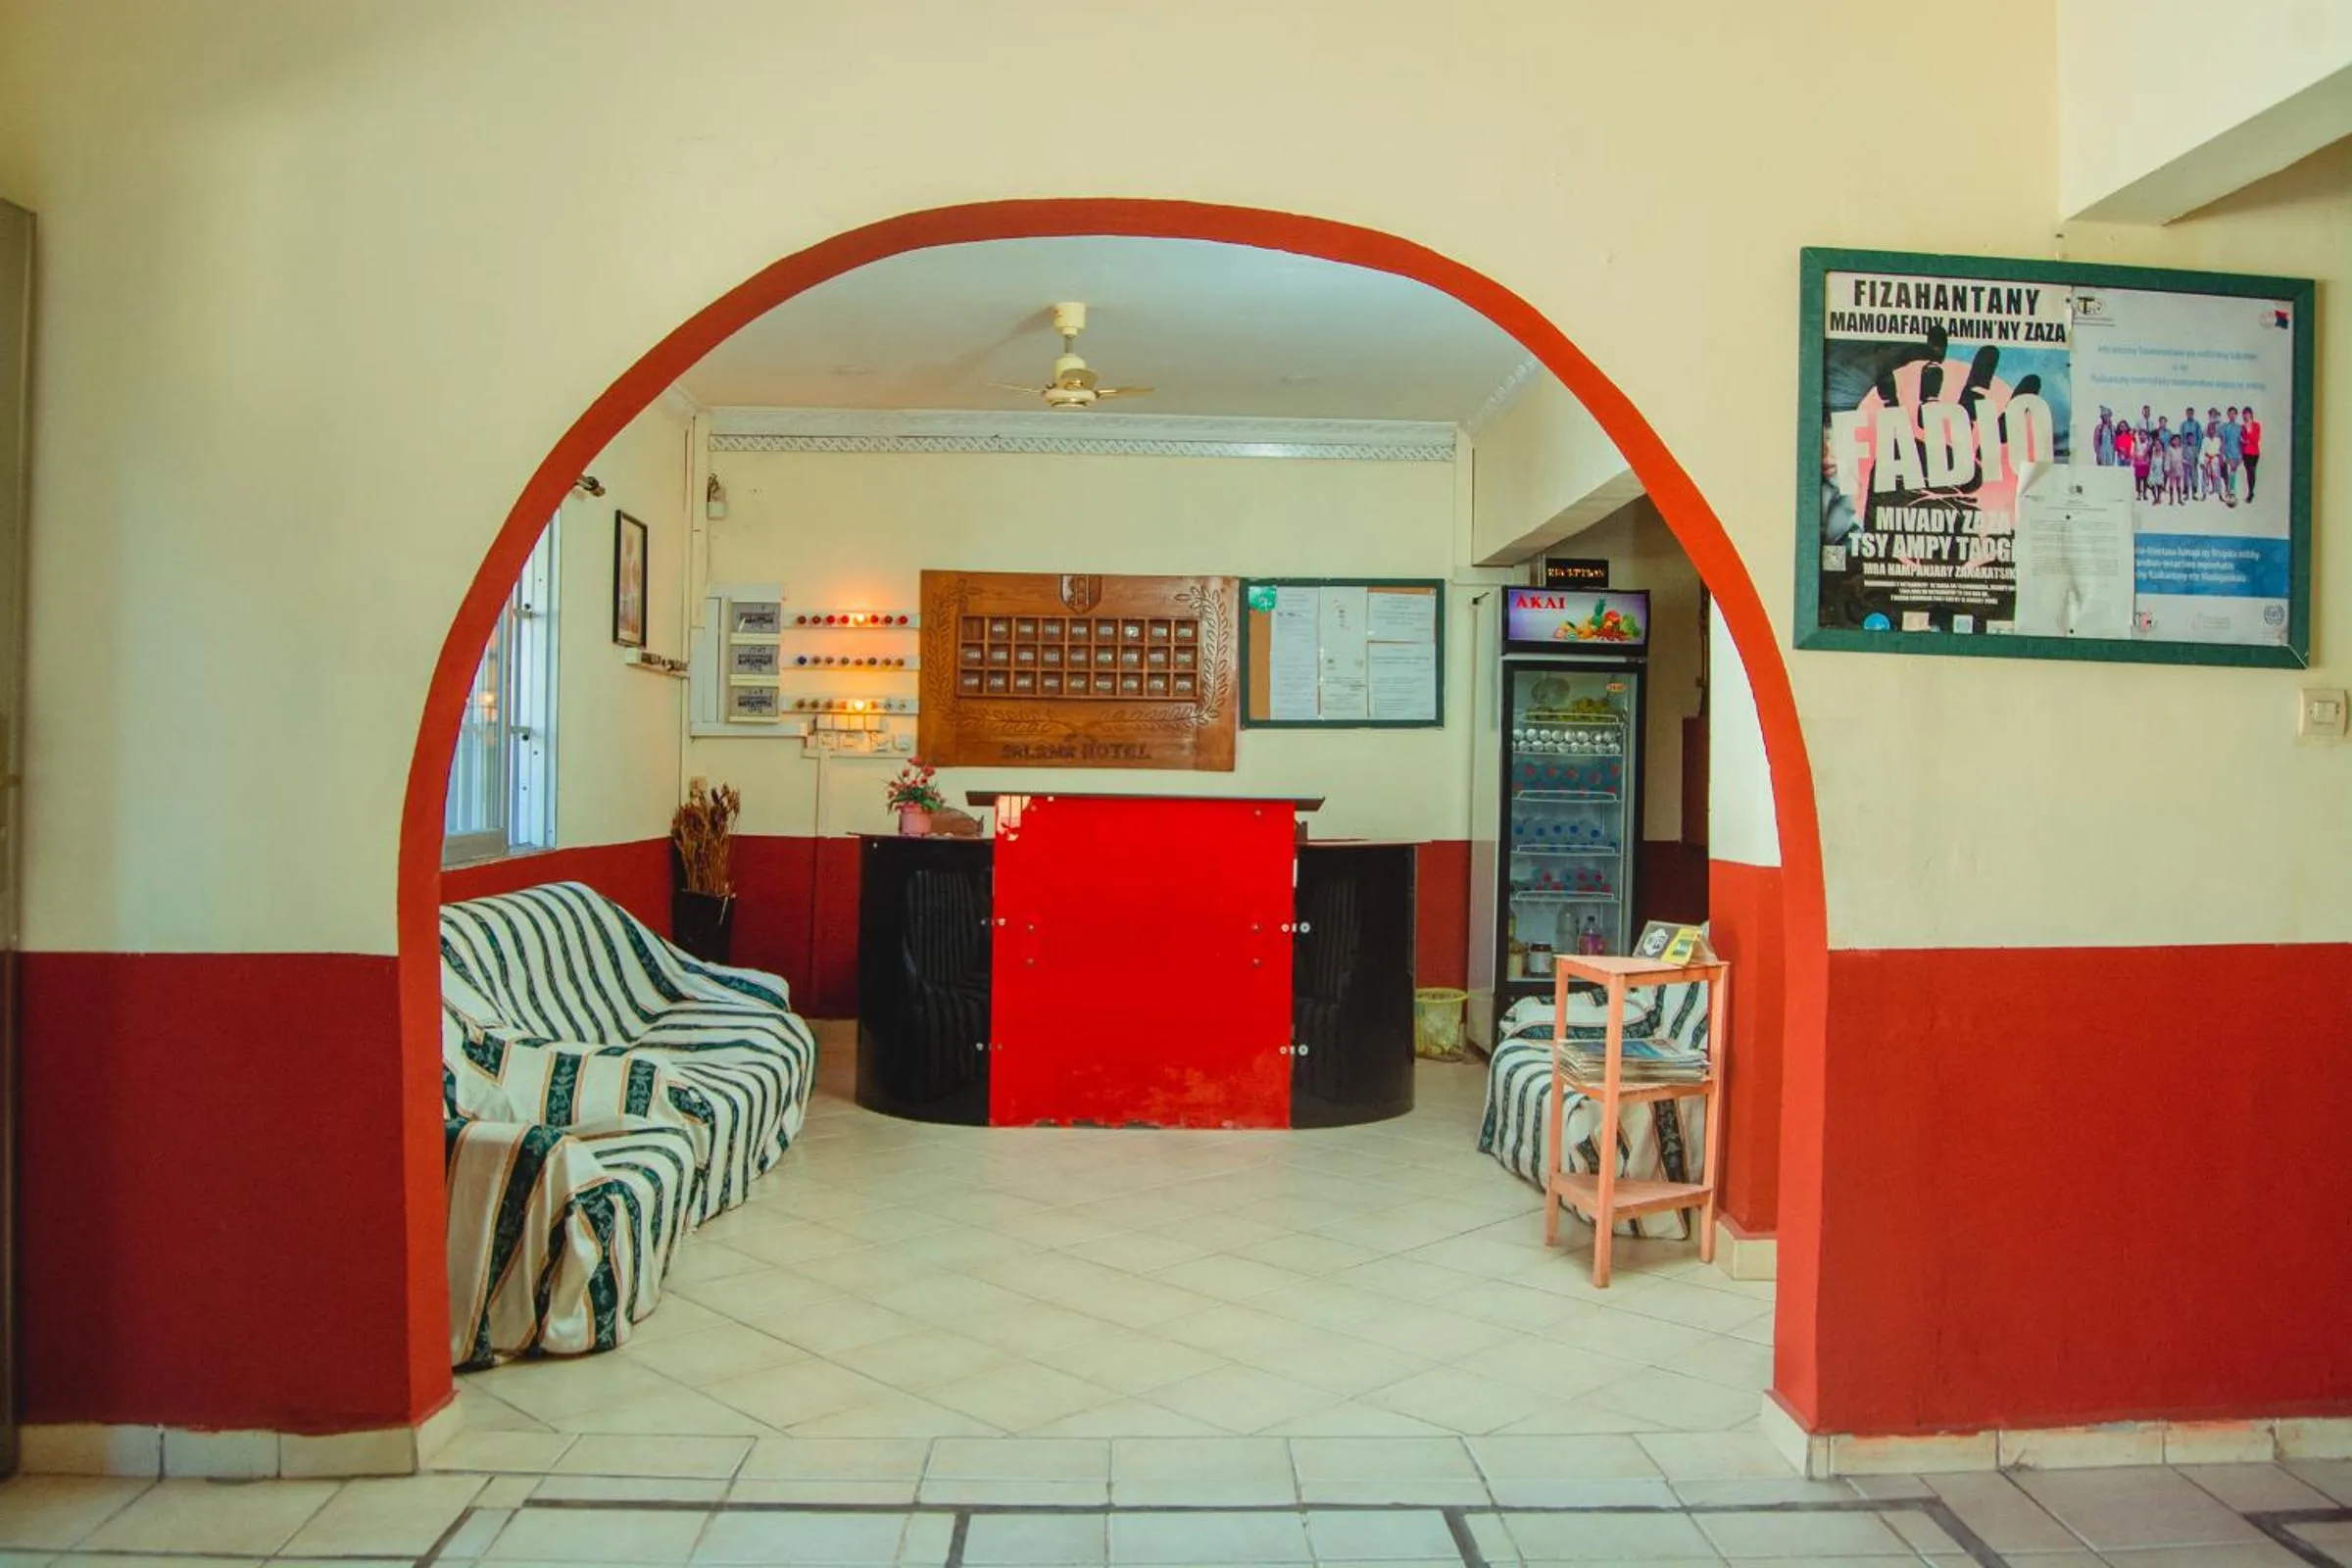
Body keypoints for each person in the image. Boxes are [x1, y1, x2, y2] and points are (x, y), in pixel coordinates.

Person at [2220, 406, 2244, 502]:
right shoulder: (2224, 427)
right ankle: (2229, 490)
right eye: (2230, 413)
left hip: (2237, 452)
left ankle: (2231, 491)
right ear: (2228, 415)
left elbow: (2241, 442)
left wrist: (2241, 455)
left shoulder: (2239, 427)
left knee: (2233, 470)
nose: (2232, 415)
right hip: (2227, 452)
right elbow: (2222, 442)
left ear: (2236, 415)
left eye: (2234, 413)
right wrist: (2223, 454)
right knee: (2227, 471)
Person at [2202, 413, 2227, 506]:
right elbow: (2202, 451)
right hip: (2207, 459)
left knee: (2217, 477)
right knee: (2205, 477)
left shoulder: (2218, 439)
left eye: (2213, 430)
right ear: (2208, 431)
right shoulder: (2205, 440)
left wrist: (2221, 459)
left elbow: (2221, 451)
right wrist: (2201, 461)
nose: (2211, 431)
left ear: (2215, 431)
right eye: (2210, 430)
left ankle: (2220, 494)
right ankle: (2204, 494)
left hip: (2215, 459)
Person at [2180, 407, 2202, 498]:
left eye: (2191, 413)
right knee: (2185, 470)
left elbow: (2200, 437)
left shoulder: (2197, 424)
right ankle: (2185, 487)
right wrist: (2182, 449)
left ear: (2193, 414)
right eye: (2188, 413)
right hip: (2185, 448)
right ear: (2186, 414)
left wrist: (2198, 450)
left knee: (2194, 470)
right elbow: (2181, 436)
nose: (2189, 415)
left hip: (2194, 448)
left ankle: (2195, 487)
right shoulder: (2183, 424)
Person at [2240, 404, 2263, 500]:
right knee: (2249, 472)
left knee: (2252, 472)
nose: (2246, 416)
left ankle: (2251, 491)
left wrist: (2248, 433)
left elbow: (2256, 439)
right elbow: (2242, 441)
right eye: (2244, 414)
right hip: (2246, 453)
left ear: (2251, 415)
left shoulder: (2256, 425)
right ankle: (2250, 492)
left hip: (2254, 452)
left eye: (2247, 414)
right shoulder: (2241, 427)